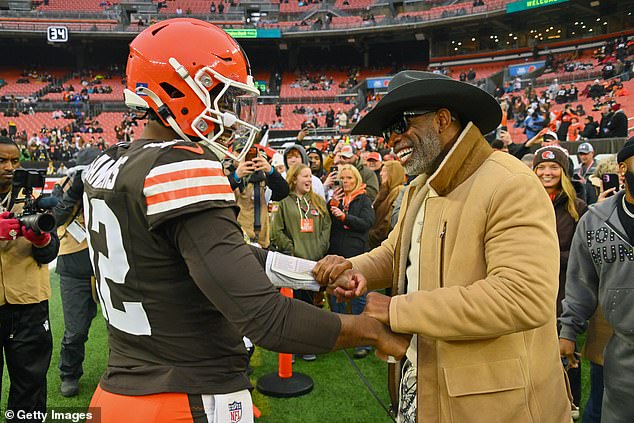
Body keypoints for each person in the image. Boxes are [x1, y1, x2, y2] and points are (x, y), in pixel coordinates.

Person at [85, 19, 409, 422]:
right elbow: (266, 319)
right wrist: (370, 329)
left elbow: (228, 255)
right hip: (184, 397)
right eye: (223, 97)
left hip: (119, 391)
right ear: (181, 90)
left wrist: (315, 274)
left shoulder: (108, 162)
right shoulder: (181, 168)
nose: (232, 113)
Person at [313, 71, 572, 422]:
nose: (393, 139)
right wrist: (354, 270)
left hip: (496, 404)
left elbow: (522, 298)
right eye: (388, 131)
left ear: (443, 118)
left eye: (402, 124)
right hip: (425, 381)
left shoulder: (510, 183)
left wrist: (398, 310)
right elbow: (396, 252)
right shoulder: (421, 186)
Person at [559, 138, 634, 423]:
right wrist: (568, 330)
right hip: (622, 350)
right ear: (623, 169)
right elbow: (580, 282)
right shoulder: (595, 220)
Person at [0, 136, 60, 419]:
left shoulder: (35, 201)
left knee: (30, 386)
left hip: (29, 303)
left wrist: (41, 239)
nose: (9, 167)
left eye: (14, 161)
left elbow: (49, 253)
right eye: (1, 161)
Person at [533, 145, 588, 417]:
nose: (547, 172)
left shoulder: (578, 208)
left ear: (564, 172)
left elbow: (583, 254)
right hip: (529, 290)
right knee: (533, 353)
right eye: (541, 167)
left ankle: (571, 402)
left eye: (554, 167)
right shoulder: (523, 203)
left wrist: (547, 254)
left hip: (564, 291)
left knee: (565, 349)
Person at [51, 148, 101, 397]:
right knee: (76, 330)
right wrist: (75, 190)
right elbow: (55, 218)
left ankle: (121, 371)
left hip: (109, 261)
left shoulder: (110, 182)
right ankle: (69, 373)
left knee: (121, 327)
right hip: (73, 265)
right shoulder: (63, 185)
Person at [270, 164, 331, 360]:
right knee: (293, 306)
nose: (309, 180)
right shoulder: (283, 202)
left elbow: (326, 227)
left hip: (315, 261)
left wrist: (320, 248)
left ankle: (308, 346)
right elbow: (276, 231)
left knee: (312, 307)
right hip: (293, 262)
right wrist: (292, 249)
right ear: (294, 178)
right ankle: (292, 347)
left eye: (311, 176)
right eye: (305, 176)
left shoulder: (318, 201)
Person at [327, 164, 375, 359]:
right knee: (334, 293)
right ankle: (339, 335)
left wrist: (345, 216)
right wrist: (333, 205)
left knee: (358, 295)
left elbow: (366, 223)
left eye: (349, 178)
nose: (346, 182)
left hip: (357, 253)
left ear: (357, 180)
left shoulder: (363, 199)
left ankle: (362, 339)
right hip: (336, 252)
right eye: (343, 178)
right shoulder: (335, 200)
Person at [369, 160, 405, 249]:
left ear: (393, 173)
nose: (381, 174)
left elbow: (388, 222)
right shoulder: (386, 192)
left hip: (382, 243)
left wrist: (372, 235)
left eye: (384, 171)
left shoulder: (399, 192)